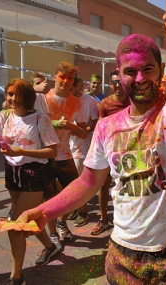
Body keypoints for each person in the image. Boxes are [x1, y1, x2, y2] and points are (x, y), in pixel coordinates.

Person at [17, 1, 166, 283]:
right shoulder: (106, 127)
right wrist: (44, 211)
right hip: (122, 257)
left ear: (162, 69)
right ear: (118, 73)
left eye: (148, 69)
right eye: (131, 71)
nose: (140, 78)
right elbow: (88, 182)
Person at [0, 79, 60, 285]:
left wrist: (21, 151)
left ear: (27, 96)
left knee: (15, 225)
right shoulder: (2, 117)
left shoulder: (41, 119)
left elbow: (53, 151)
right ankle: (51, 247)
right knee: (26, 220)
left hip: (34, 172)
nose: (12, 98)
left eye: (16, 94)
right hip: (11, 172)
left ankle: (16, 277)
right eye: (9, 94)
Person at [34, 61, 87, 247]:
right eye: (62, 77)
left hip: (65, 155)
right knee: (48, 197)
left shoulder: (78, 103)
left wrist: (71, 126)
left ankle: (61, 221)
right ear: (55, 76)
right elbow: (17, 101)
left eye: (70, 78)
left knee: (75, 195)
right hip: (45, 157)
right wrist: (35, 87)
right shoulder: (42, 98)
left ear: (73, 81)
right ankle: (53, 233)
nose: (66, 81)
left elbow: (82, 132)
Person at [89, 69, 130, 235]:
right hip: (109, 151)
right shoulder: (105, 103)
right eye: (114, 82)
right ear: (111, 84)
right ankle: (104, 219)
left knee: (127, 186)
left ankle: (126, 221)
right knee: (103, 185)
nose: (118, 85)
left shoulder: (132, 101)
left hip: (129, 151)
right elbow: (100, 127)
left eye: (120, 81)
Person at [68, 75, 99, 227]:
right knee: (71, 181)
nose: (67, 89)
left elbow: (95, 121)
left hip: (83, 147)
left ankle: (83, 211)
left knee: (81, 181)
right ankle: (75, 207)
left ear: (78, 86)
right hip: (66, 148)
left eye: (71, 86)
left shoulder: (89, 101)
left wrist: (82, 131)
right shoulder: (65, 100)